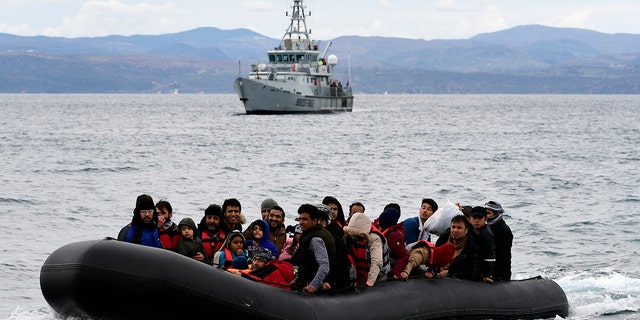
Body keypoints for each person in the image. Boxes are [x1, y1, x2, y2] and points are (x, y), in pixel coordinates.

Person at [290, 204, 336, 293]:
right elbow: (308, 264)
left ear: (314, 221)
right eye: (300, 219)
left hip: (314, 285)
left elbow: (324, 265)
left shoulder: (316, 239)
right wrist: (296, 279)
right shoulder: (315, 233)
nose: (301, 222)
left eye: (305, 219)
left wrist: (313, 286)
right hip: (306, 279)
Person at [343, 212, 388, 287]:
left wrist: (370, 281)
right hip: (361, 274)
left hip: (378, 276)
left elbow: (376, 261)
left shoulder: (374, 238)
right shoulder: (351, 235)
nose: (355, 237)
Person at [316, 203, 353, 292]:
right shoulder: (313, 236)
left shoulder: (334, 238)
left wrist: (330, 282)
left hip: (336, 285)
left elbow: (341, 264)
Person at [435, 215, 483, 281]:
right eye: (453, 227)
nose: (455, 230)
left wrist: (449, 272)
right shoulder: (444, 238)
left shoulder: (472, 247)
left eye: (459, 228)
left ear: (466, 230)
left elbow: (472, 273)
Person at [229, 247, 294, 290]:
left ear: (266, 262)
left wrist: (240, 275)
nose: (256, 263)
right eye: (255, 260)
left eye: (260, 260)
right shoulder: (262, 270)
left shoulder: (271, 269)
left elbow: (258, 280)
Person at [376, 207, 409, 280]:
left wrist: (395, 273)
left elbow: (403, 257)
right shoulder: (384, 231)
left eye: (381, 225)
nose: (379, 227)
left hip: (390, 267)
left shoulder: (394, 236)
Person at [484, 200, 513, 281]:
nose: (485, 216)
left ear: (496, 214)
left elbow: (503, 256)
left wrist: (492, 275)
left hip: (499, 274)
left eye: (488, 213)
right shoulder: (486, 228)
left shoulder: (504, 230)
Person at [468, 206, 496, 283]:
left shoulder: (487, 234)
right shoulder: (469, 230)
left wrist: (487, 275)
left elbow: (490, 256)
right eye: (474, 218)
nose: (476, 221)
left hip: (480, 267)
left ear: (485, 219)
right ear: (470, 219)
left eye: (479, 218)